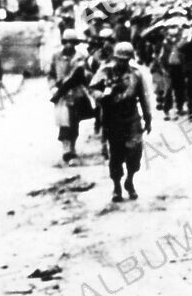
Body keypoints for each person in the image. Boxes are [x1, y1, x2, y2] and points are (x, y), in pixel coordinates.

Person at [89, 42, 153, 202]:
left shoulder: (136, 75)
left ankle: (129, 181)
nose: (123, 62)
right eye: (120, 59)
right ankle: (117, 186)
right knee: (116, 154)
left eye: (126, 60)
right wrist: (102, 96)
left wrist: (148, 117)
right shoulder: (105, 71)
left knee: (135, 151)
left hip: (132, 117)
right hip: (113, 118)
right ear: (115, 58)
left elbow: (144, 98)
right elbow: (93, 88)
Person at [48, 29, 90, 165]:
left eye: (72, 43)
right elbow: (51, 74)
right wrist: (53, 87)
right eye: (66, 42)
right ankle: (67, 151)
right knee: (64, 123)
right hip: (62, 94)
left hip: (77, 93)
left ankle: (72, 148)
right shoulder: (56, 56)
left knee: (74, 122)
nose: (69, 45)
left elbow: (87, 75)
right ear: (63, 42)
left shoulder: (81, 57)